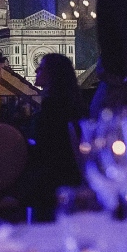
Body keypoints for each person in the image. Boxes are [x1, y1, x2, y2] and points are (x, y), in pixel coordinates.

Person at [29, 53, 86, 222]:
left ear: (54, 74)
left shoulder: (52, 108)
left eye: (42, 68)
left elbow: (45, 147)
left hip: (51, 183)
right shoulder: (72, 104)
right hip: (69, 177)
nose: (36, 71)